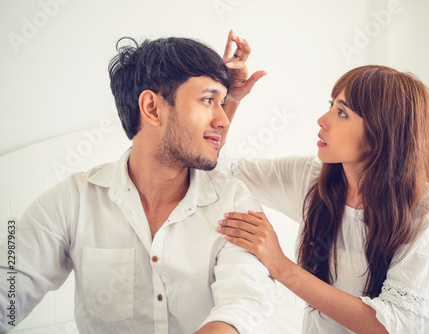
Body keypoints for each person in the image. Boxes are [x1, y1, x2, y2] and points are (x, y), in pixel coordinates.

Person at [0, 31, 275, 334]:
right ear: (152, 108)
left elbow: (246, 303)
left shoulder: (233, 202)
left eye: (223, 102)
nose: (223, 119)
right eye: (209, 99)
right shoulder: (72, 201)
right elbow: (9, 286)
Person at [217, 65, 429, 333]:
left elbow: (394, 325)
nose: (322, 120)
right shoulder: (310, 178)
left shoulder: (422, 204)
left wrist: (280, 266)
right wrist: (229, 99)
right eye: (331, 105)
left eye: (342, 112)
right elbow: (220, 166)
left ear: (379, 134)